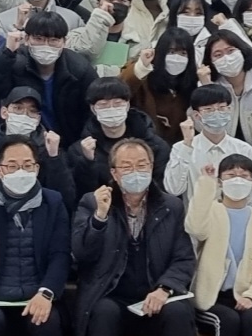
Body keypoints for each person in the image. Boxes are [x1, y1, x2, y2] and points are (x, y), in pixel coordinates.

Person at [68, 140, 195, 336]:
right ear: (114, 173)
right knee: (103, 312)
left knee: (178, 312)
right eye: (127, 167)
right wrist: (99, 218)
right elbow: (82, 254)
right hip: (111, 293)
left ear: (151, 167)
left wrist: (165, 288)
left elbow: (184, 258)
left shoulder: (172, 206)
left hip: (156, 292)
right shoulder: (93, 202)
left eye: (142, 165)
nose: (135, 172)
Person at [0, 139, 68, 336]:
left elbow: (60, 254)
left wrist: (46, 292)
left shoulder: (53, 202)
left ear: (36, 169)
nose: (21, 171)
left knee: (46, 322)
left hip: (37, 295)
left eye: (27, 165)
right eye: (12, 166)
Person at [185, 155, 252, 336]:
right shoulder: (211, 210)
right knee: (228, 321)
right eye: (231, 175)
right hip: (212, 298)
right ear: (220, 181)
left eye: (244, 176)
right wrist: (206, 183)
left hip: (246, 295)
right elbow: (195, 228)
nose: (238, 180)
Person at [162, 84, 252, 199]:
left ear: (229, 110)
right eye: (208, 109)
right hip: (197, 210)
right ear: (196, 115)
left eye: (222, 108)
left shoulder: (245, 150)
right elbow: (173, 189)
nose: (217, 113)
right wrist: (187, 145)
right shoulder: (181, 148)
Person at [121, 29, 196, 138]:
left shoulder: (192, 81)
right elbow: (119, 90)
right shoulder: (143, 74)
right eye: (171, 52)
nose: (177, 58)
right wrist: (141, 67)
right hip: (141, 139)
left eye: (183, 53)